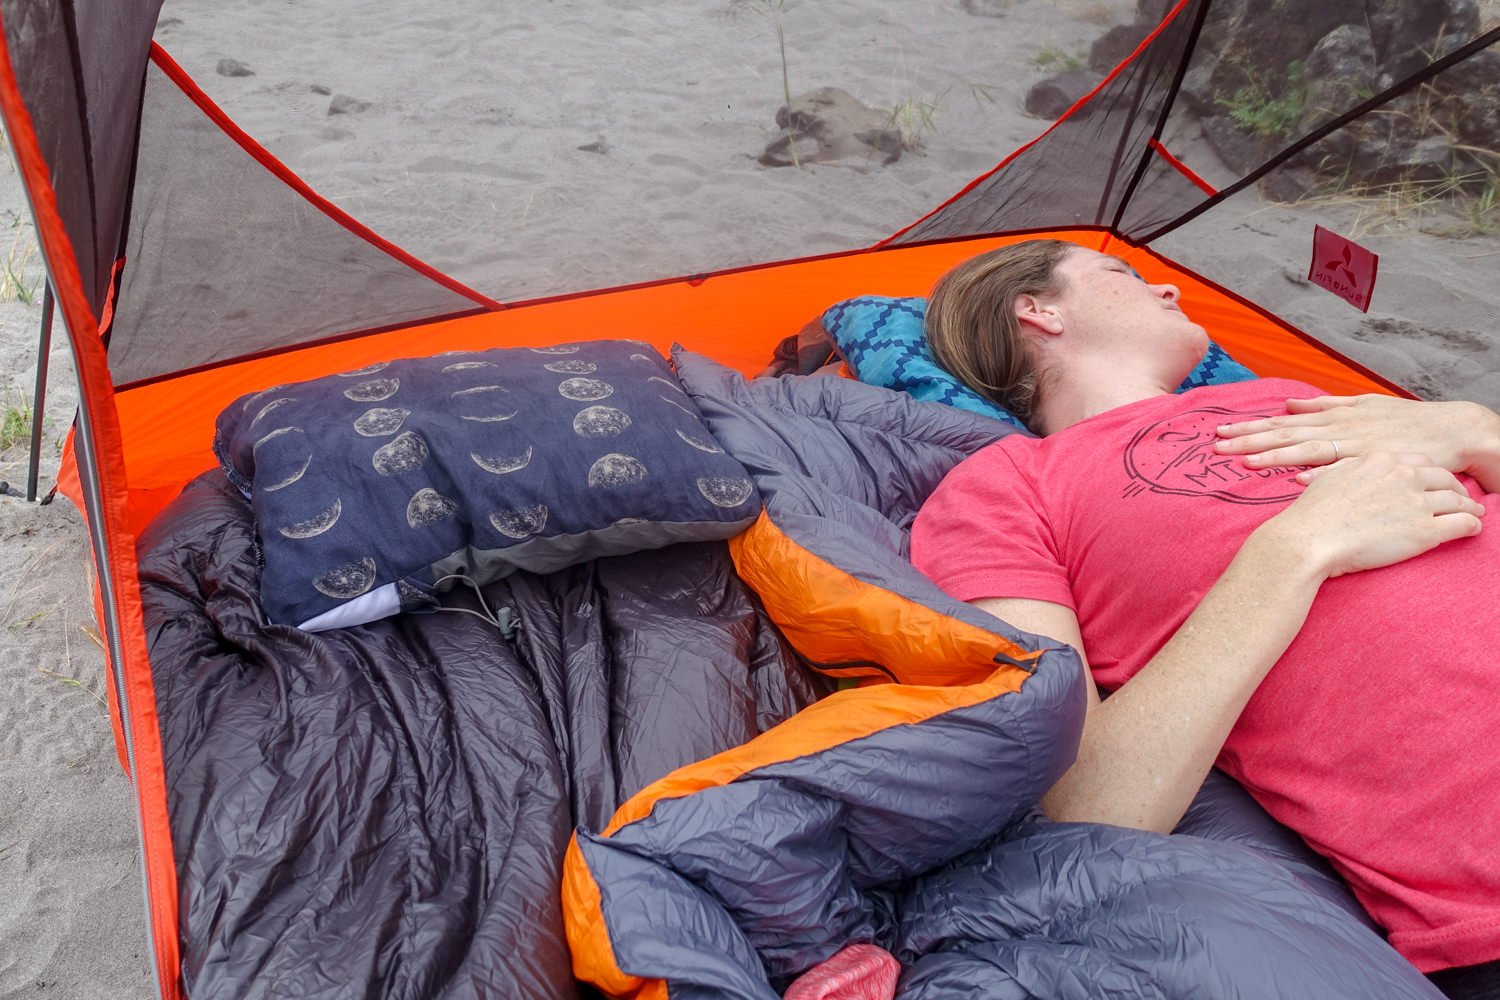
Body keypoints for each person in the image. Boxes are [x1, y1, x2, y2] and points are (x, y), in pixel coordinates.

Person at [908, 239, 1500, 998]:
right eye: (1122, 272)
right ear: (1038, 310)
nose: (1169, 289)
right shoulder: (1003, 487)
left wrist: (1481, 432)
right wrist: (1294, 550)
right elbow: (1087, 806)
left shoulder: (1289, 393)